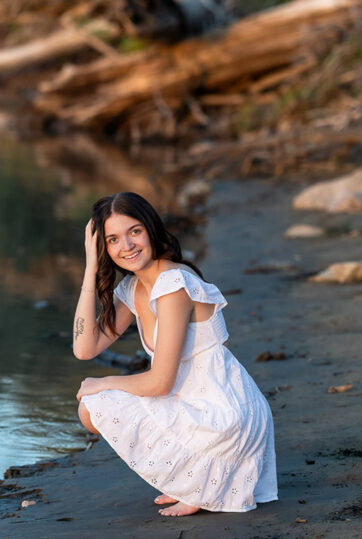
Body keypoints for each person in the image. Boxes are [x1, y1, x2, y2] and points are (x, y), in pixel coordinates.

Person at [72, 191, 277, 517]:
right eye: (113, 239)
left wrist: (105, 381)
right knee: (91, 409)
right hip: (187, 400)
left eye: (134, 231)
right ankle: (188, 477)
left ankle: (200, 483)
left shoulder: (173, 284)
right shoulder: (134, 288)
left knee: (96, 399)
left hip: (222, 412)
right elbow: (85, 348)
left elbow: (161, 383)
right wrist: (90, 267)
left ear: (151, 229)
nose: (126, 246)